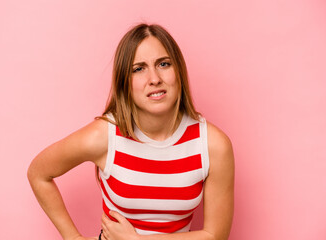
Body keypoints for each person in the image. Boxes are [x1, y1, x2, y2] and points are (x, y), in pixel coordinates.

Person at [27, 23, 234, 240]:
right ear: (124, 82)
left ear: (178, 71)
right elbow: (38, 173)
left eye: (163, 64)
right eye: (139, 69)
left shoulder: (212, 144)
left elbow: (215, 235)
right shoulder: (105, 136)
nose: (154, 79)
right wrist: (73, 237)